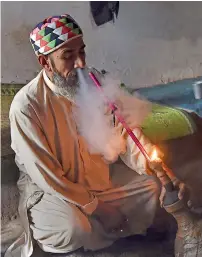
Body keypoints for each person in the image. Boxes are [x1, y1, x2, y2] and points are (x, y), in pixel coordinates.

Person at [8, 14, 185, 257]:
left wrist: (158, 169)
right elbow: (46, 175)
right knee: (72, 227)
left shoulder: (94, 82)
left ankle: (113, 238)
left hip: (98, 183)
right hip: (54, 193)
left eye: (82, 52)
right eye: (68, 56)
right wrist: (97, 207)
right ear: (45, 62)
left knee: (153, 186)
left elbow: (126, 131)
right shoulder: (27, 106)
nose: (80, 63)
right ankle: (94, 241)